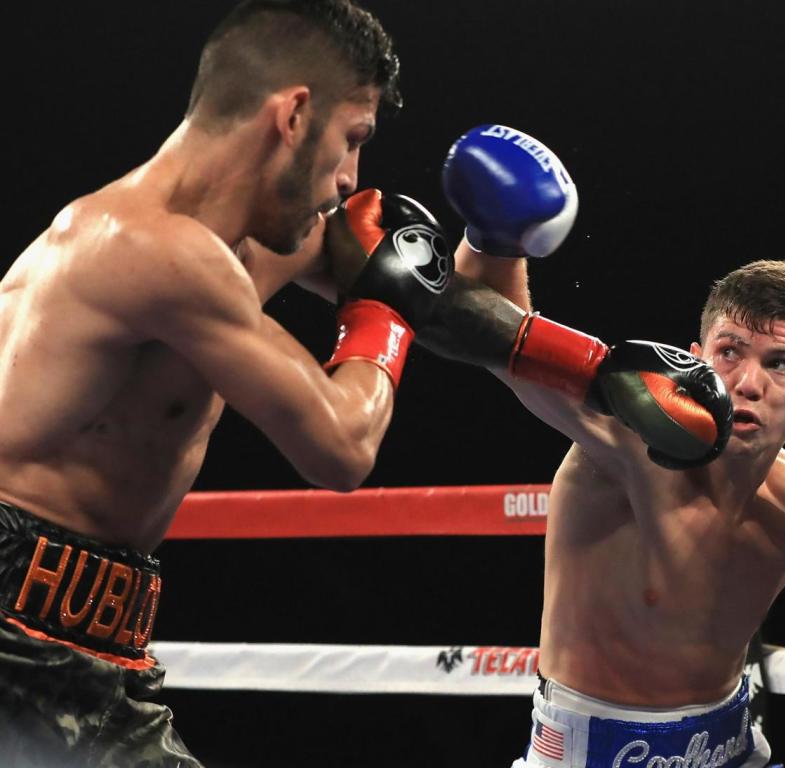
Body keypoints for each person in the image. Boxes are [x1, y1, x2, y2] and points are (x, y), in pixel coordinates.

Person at [0, 2, 454, 766]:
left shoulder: (253, 243)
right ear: (293, 115)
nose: (350, 181)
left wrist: (583, 360)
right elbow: (342, 446)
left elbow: (436, 303)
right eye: (353, 142)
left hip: (101, 644)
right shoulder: (148, 248)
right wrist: (383, 311)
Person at [426, 125, 785, 766]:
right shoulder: (628, 443)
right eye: (730, 353)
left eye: (779, 364)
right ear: (697, 360)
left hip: (733, 749)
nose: (747, 383)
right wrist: (492, 238)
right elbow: (493, 332)